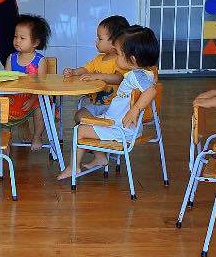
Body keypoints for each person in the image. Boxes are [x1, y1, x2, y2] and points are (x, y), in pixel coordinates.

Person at [58, 26, 159, 180]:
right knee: (85, 122)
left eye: (118, 54)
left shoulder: (135, 76)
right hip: (122, 126)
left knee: (79, 130)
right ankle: (100, 158)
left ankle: (73, 167)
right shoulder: (147, 74)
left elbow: (151, 91)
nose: (116, 57)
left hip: (120, 128)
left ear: (132, 59)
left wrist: (135, 109)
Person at [64, 14, 130, 116]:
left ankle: (94, 125)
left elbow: (119, 78)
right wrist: (73, 72)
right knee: (79, 116)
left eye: (100, 38)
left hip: (115, 107)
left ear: (115, 42)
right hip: (96, 104)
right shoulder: (98, 58)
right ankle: (88, 126)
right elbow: (86, 69)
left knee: (97, 121)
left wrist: (96, 76)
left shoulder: (121, 60)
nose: (96, 41)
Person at [6, 14, 54, 150]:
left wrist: (33, 99)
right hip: (16, 96)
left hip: (35, 96)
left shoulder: (40, 61)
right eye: (15, 37)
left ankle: (37, 136)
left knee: (41, 108)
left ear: (35, 43)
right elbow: (7, 81)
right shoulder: (11, 58)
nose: (17, 41)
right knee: (1, 107)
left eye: (22, 38)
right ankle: (5, 142)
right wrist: (7, 96)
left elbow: (41, 86)